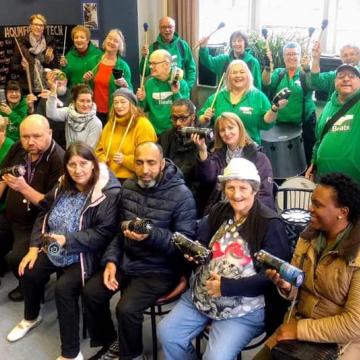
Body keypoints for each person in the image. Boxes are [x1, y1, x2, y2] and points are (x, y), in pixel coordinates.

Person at [158, 157, 290, 360]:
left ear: (254, 189)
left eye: (243, 188)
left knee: (216, 358)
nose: (236, 195)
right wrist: (194, 255)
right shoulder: (219, 210)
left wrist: (226, 287)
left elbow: (271, 277)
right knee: (168, 334)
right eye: (230, 187)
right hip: (202, 298)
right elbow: (202, 241)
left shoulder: (270, 223)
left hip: (244, 309)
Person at [6, 142, 121, 360]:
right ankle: (31, 317)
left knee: (63, 289)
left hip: (86, 253)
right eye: (72, 165)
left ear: (94, 164)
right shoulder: (63, 185)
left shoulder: (108, 192)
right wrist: (33, 247)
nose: (78, 170)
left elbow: (103, 234)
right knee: (29, 271)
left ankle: (70, 353)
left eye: (83, 164)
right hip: (55, 245)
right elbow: (44, 211)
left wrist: (67, 240)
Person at [83, 141, 197, 360]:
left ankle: (132, 355)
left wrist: (151, 234)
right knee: (91, 293)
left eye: (151, 163)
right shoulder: (129, 187)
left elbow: (186, 243)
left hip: (161, 268)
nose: (145, 170)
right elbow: (120, 230)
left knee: (126, 310)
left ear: (162, 163)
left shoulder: (182, 195)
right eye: (140, 163)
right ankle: (111, 343)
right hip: (128, 259)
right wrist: (111, 262)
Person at [254, 173, 360, 360]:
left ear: (342, 212)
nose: (310, 209)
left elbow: (354, 324)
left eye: (318, 205)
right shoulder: (308, 237)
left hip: (342, 342)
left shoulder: (356, 255)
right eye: (312, 202)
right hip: (298, 327)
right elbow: (298, 288)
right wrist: (287, 287)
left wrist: (299, 330)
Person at [0, 114, 64, 301]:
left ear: (49, 133)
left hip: (35, 223)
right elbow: (3, 174)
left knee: (15, 258)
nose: (30, 142)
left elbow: (50, 204)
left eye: (36, 136)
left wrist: (23, 188)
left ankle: (31, 283)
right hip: (11, 214)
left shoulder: (58, 159)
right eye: (25, 136)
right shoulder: (18, 148)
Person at [194, 112, 274, 214]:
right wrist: (202, 150)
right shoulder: (217, 154)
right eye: (222, 130)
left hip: (251, 213)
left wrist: (243, 214)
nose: (227, 133)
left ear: (240, 129)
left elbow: (265, 194)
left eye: (231, 128)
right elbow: (207, 180)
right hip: (221, 211)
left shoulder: (258, 157)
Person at [198, 60, 286, 145]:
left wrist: (274, 109)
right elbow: (200, 119)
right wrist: (205, 118)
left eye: (242, 72)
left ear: (248, 75)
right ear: (228, 76)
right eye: (234, 72)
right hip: (222, 149)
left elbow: (267, 124)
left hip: (249, 149)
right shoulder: (217, 96)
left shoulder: (258, 96)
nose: (238, 75)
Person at [262, 41, 316, 164]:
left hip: (304, 123)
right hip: (280, 124)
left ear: (300, 56)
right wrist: (267, 68)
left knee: (305, 156)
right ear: (283, 57)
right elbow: (266, 82)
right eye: (288, 54)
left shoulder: (305, 74)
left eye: (294, 54)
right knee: (282, 159)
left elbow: (312, 84)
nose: (291, 57)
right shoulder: (279, 73)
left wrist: (308, 69)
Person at [305, 64, 360, 184]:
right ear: (335, 81)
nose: (346, 79)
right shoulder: (329, 105)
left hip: (353, 183)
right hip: (324, 178)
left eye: (352, 76)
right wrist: (313, 164)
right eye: (341, 76)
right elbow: (319, 139)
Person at [95, 88, 157, 181]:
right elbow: (99, 150)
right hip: (109, 176)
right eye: (115, 102)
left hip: (134, 179)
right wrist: (102, 159)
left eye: (123, 102)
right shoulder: (110, 124)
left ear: (131, 104)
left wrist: (125, 160)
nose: (119, 106)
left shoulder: (143, 125)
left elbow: (149, 159)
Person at [83, 29, 132, 125]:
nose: (111, 42)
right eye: (110, 38)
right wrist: (85, 80)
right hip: (93, 111)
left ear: (120, 47)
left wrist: (125, 85)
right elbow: (85, 88)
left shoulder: (123, 66)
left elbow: (130, 93)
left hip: (114, 111)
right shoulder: (92, 62)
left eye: (116, 41)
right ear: (105, 41)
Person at [136, 49, 190, 134]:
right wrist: (141, 99)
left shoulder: (181, 83)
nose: (150, 66)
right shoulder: (149, 83)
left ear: (167, 64)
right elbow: (144, 109)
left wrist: (176, 93)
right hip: (154, 132)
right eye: (150, 63)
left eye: (154, 63)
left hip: (174, 132)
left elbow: (186, 111)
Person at [140, 16, 196, 90]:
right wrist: (144, 58)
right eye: (164, 27)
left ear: (174, 28)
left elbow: (191, 68)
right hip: (159, 91)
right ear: (159, 29)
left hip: (179, 89)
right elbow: (144, 72)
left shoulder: (182, 45)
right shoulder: (153, 48)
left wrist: (187, 87)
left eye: (170, 27)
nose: (167, 30)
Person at [46, 79, 102, 149]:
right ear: (74, 102)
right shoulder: (68, 112)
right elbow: (51, 113)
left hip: (84, 158)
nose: (85, 105)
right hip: (69, 156)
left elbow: (89, 150)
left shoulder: (96, 123)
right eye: (82, 101)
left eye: (88, 101)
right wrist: (53, 90)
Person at [11, 14, 58, 94]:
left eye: (41, 25)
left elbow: (56, 67)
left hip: (46, 88)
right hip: (28, 89)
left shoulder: (50, 43)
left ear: (44, 28)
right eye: (35, 24)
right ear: (30, 26)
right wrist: (22, 67)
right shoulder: (21, 43)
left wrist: (52, 60)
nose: (38, 27)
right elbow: (13, 66)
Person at [60, 25, 102, 90]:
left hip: (92, 95)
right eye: (76, 37)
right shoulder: (69, 55)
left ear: (87, 40)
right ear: (73, 40)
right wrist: (64, 67)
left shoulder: (98, 54)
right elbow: (64, 78)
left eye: (82, 37)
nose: (79, 40)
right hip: (74, 95)